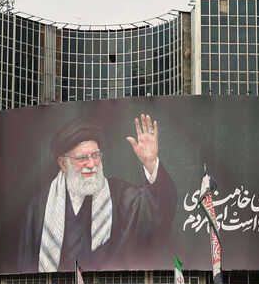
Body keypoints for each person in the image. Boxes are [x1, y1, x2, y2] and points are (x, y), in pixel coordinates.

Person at [17, 114, 176, 272]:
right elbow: (26, 264)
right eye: (82, 158)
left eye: (95, 155)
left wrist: (150, 164)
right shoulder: (41, 206)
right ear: (63, 163)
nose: (91, 164)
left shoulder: (119, 195)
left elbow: (156, 209)